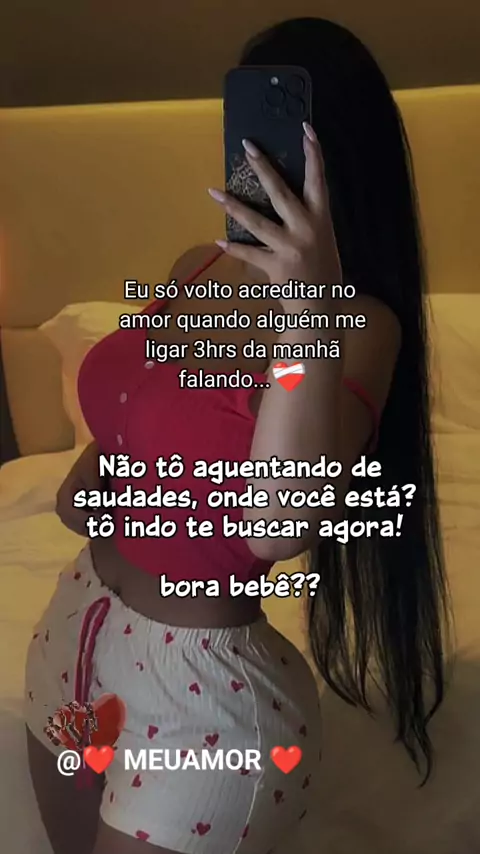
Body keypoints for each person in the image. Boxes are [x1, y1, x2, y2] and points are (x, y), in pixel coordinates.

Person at [24, 16, 450, 854]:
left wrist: (306, 302)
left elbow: (278, 524)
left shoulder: (361, 325)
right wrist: (103, 480)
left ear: (338, 152)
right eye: (247, 120)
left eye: (287, 130)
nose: (260, 154)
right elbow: (133, 430)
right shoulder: (198, 266)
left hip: (201, 693)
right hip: (75, 629)